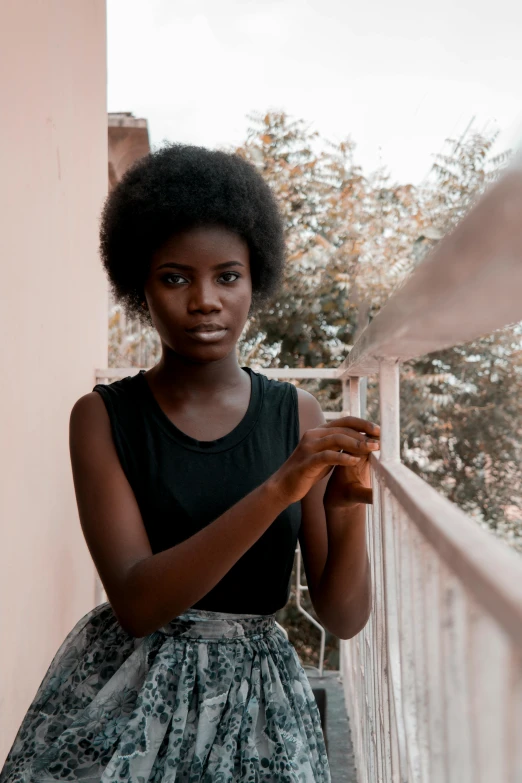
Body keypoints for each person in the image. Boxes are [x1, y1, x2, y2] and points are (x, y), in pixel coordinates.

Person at [0, 144, 380, 782]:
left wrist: (343, 511)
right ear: (138, 286)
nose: (205, 300)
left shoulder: (298, 415)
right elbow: (139, 605)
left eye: (227, 276)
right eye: (175, 277)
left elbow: (342, 618)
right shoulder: (101, 418)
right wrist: (280, 487)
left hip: (258, 703)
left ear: (255, 279)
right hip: (129, 695)